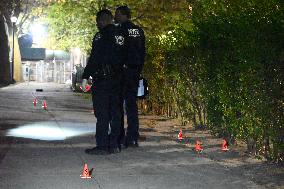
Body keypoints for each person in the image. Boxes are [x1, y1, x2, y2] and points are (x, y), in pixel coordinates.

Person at [82, 9, 124, 155]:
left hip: (103, 80)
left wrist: (85, 76)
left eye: (97, 22)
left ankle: (102, 146)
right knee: (116, 113)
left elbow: (95, 58)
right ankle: (114, 144)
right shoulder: (121, 35)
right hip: (118, 80)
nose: (97, 25)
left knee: (102, 114)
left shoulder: (101, 35)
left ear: (101, 21)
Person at [115, 6, 146, 148]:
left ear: (122, 15)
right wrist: (138, 70)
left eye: (117, 14)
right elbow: (142, 52)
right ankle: (133, 137)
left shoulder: (120, 30)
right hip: (134, 72)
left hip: (122, 72)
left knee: (118, 105)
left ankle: (119, 136)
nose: (115, 16)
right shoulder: (138, 31)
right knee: (132, 105)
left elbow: (118, 51)